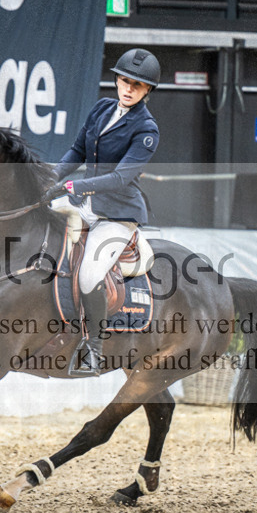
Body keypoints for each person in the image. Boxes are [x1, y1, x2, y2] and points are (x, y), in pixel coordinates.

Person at [41, 47, 161, 376]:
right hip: (87, 203)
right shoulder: (102, 109)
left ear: (147, 90)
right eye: (124, 80)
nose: (128, 88)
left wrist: (73, 188)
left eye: (136, 85)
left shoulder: (147, 131)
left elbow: (122, 177)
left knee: (90, 275)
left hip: (117, 214)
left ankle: (94, 346)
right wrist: (48, 179)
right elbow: (78, 150)